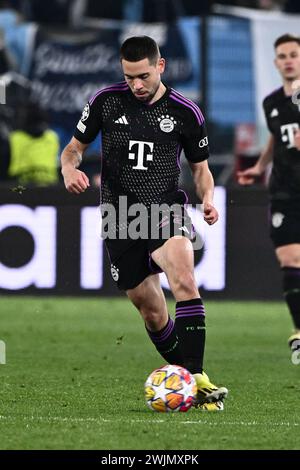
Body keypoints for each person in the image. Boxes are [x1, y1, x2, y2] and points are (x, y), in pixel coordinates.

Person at [61, 36, 228, 411]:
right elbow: (74, 147)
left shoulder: (186, 112)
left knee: (183, 278)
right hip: (119, 216)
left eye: (143, 76)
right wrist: (68, 167)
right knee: (150, 310)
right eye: (129, 76)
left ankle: (196, 377)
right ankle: (184, 374)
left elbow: (202, 171)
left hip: (164, 209)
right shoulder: (105, 101)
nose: (136, 84)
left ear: (161, 66)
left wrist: (208, 200)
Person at [237, 34, 300, 353]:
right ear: (276, 63)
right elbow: (276, 139)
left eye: (293, 54)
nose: (288, 60)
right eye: (282, 55)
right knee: (288, 258)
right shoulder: (272, 103)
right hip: (285, 192)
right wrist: (260, 166)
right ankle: (299, 330)